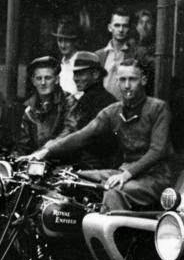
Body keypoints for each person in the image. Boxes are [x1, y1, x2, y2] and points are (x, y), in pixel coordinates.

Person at [30, 61, 172, 211]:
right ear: (116, 81)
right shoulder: (113, 111)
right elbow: (82, 135)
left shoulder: (158, 108)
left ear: (143, 80)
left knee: (114, 192)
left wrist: (127, 174)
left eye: (132, 79)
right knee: (72, 180)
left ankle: (110, 225)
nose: (127, 85)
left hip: (154, 177)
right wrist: (46, 152)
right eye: (122, 80)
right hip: (123, 172)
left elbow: (157, 150)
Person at [63, 51, 117, 169]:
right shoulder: (94, 98)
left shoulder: (96, 101)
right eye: (75, 74)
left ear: (95, 74)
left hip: (94, 166)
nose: (75, 79)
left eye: (80, 74)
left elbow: (81, 139)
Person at [15, 56, 76, 154]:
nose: (43, 83)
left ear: (57, 80)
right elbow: (23, 145)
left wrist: (43, 151)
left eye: (48, 78)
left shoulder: (69, 102)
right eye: (39, 78)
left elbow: (69, 132)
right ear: (33, 81)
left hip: (62, 158)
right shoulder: (29, 109)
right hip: (36, 160)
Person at [95, 6, 134, 100]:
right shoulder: (98, 56)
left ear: (129, 29)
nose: (121, 30)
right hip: (102, 106)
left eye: (125, 26)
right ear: (110, 27)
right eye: (117, 25)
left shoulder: (134, 54)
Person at [53, 17, 80, 95]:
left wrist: (76, 98)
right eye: (60, 40)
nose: (63, 45)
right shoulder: (58, 65)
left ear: (75, 41)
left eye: (67, 41)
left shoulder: (82, 63)